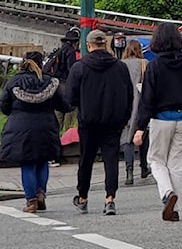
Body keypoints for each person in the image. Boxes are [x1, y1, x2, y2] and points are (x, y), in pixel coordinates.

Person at [135, 23, 182, 222]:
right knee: (177, 165)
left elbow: (147, 99)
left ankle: (167, 192)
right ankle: (175, 209)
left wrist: (139, 127)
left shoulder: (154, 66)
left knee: (156, 160)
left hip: (161, 119)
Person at [65, 29, 134, 216]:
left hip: (89, 121)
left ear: (88, 46)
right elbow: (129, 95)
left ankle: (83, 197)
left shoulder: (79, 67)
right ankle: (110, 198)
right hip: (113, 121)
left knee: (86, 158)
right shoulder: (120, 67)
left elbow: (70, 98)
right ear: (105, 44)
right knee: (111, 159)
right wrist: (124, 117)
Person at [0, 51, 71, 213]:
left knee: (27, 164)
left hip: (21, 129)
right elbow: (64, 106)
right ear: (41, 64)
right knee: (42, 161)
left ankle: (31, 201)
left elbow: (4, 107)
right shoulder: (51, 82)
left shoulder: (13, 83)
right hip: (46, 127)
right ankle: (41, 193)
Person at [43, 26, 82, 166]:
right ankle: (64, 140)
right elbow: (72, 70)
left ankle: (56, 141)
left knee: (58, 114)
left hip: (56, 84)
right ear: (75, 41)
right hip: (65, 85)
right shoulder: (70, 51)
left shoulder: (59, 51)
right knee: (70, 112)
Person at [119, 40, 150, 186]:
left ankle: (129, 171)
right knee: (142, 134)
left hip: (125, 104)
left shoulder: (121, 64)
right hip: (142, 104)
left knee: (127, 138)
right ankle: (144, 166)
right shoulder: (145, 63)